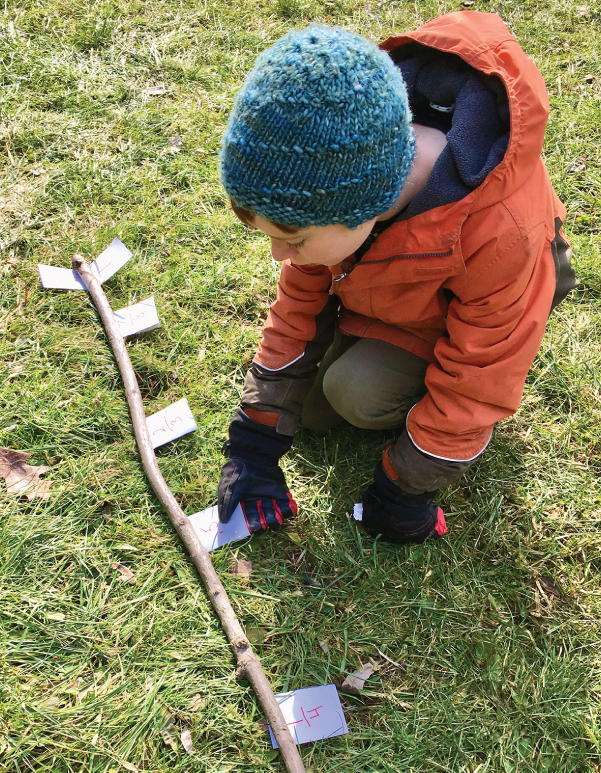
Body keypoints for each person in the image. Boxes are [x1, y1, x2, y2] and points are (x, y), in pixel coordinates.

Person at [216, 12, 575, 545]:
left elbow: (481, 374)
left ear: (364, 210)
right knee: (309, 411)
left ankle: (402, 383)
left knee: (355, 394)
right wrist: (253, 444)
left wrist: (404, 489)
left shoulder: (503, 234)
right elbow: (298, 309)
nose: (277, 255)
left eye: (291, 241)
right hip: (387, 284)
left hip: (469, 317)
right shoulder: (344, 180)